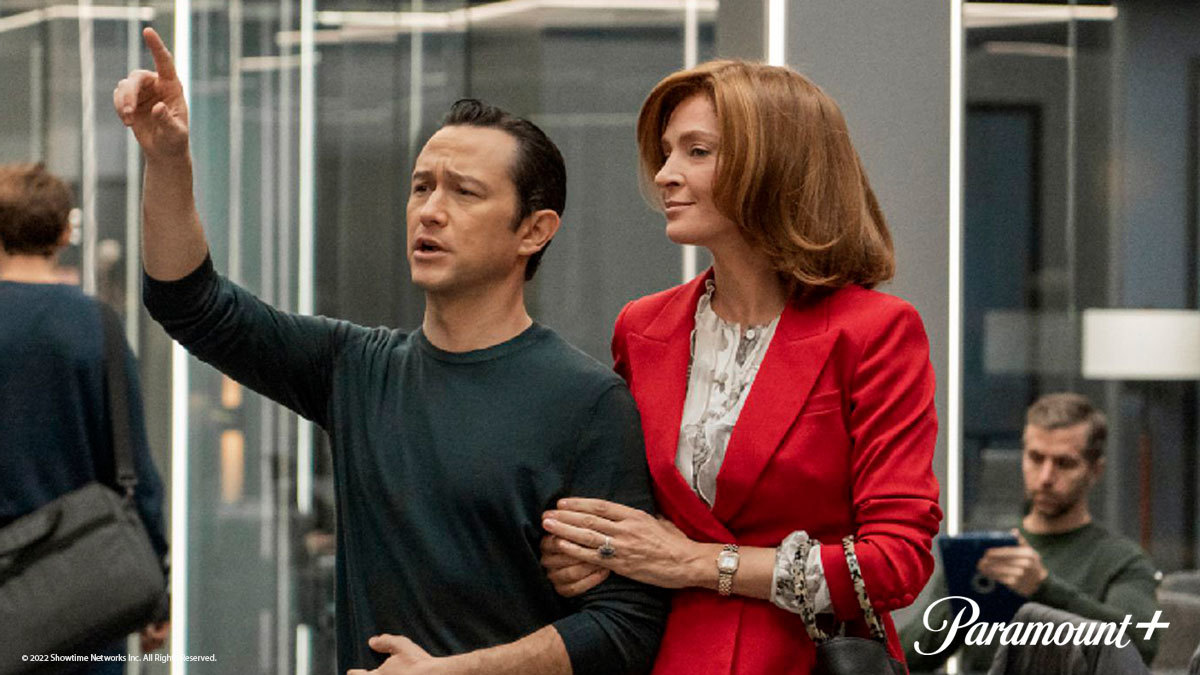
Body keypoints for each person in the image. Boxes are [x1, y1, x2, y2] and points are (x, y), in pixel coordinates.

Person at [112, 27, 666, 675]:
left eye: (464, 192)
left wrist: (454, 673)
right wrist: (168, 160)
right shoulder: (357, 367)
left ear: (534, 230)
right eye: (421, 186)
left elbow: (626, 628)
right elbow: (189, 303)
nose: (430, 211)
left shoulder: (587, 403)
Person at [539, 60, 942, 674]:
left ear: (776, 166)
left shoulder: (876, 331)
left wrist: (699, 563)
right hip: (664, 656)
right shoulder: (642, 329)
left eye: (697, 152)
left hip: (807, 661)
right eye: (667, 153)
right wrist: (587, 551)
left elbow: (895, 564)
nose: (665, 174)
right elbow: (635, 514)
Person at [0, 163, 170, 671]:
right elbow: (133, 468)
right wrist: (157, 582)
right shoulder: (98, 325)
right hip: (83, 592)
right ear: (63, 234)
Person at [902, 392, 1161, 672]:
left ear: (1095, 470)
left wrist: (1043, 588)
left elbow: (1140, 646)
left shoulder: (1122, 560)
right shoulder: (987, 553)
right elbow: (908, 656)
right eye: (1036, 458)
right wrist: (963, 598)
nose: (1046, 477)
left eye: (1064, 463)